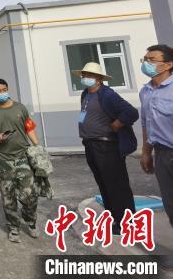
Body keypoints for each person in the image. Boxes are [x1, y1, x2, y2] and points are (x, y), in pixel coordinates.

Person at [74, 62, 138, 234]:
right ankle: (115, 219)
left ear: (99, 79)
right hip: (90, 144)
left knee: (116, 184)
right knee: (104, 184)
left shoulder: (108, 95)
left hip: (106, 145)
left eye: (89, 75)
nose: (85, 78)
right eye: (84, 75)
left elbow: (131, 112)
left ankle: (127, 223)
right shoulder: (86, 94)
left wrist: (117, 123)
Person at [0, 78, 39, 243]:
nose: (2, 93)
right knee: (8, 197)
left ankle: (31, 222)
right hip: (4, 160)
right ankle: (14, 228)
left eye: (4, 89)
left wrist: (38, 147)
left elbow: (29, 128)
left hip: (23, 157)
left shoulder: (20, 108)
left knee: (29, 195)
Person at [139, 44, 173, 227]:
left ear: (168, 65)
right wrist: (146, 153)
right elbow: (146, 124)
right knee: (170, 205)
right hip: (161, 154)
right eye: (145, 60)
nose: (147, 63)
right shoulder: (145, 91)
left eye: (152, 60)